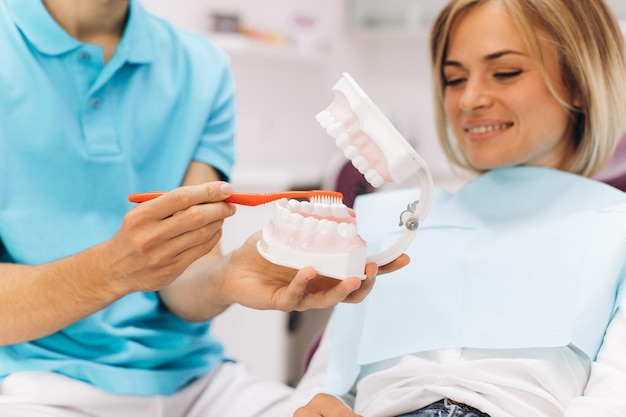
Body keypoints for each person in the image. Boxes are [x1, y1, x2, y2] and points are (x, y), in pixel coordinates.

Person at [0, 1, 409, 416]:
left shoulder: (201, 67)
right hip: (34, 383)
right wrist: (111, 270)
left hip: (197, 383)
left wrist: (225, 277)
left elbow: (185, 282)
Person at [287, 0, 626, 416]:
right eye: (453, 78)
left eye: (505, 73)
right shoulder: (390, 225)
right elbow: (323, 386)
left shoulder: (614, 230)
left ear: (578, 81)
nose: (469, 99)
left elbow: (615, 398)